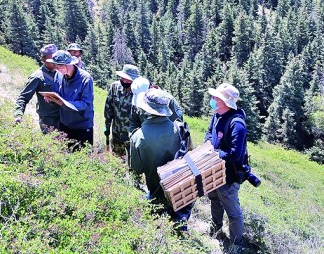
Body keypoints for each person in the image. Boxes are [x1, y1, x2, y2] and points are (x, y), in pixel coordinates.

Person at [129, 89, 194, 232]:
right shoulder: (180, 128)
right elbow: (191, 156)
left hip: (156, 192)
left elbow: (136, 169)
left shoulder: (137, 137)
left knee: (154, 227)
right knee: (178, 228)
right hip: (181, 191)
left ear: (146, 109)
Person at [204, 83, 247, 251]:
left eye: (216, 97)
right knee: (214, 198)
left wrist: (214, 153)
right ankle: (216, 228)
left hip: (228, 175)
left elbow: (235, 154)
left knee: (233, 212)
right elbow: (209, 132)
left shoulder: (237, 124)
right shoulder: (217, 114)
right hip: (213, 169)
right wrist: (208, 145)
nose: (213, 100)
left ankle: (236, 244)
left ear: (224, 101)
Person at [44, 50, 94, 148]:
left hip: (82, 126)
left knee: (83, 158)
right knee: (65, 155)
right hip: (64, 123)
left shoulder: (85, 79)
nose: (58, 69)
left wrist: (64, 103)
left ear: (70, 64)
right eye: (56, 66)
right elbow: (56, 92)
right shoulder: (58, 75)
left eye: (61, 66)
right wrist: (51, 99)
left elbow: (85, 103)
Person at [14, 44, 60, 134]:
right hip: (48, 119)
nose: (55, 62)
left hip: (64, 117)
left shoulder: (61, 73)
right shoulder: (37, 77)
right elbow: (23, 97)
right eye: (51, 59)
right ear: (43, 60)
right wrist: (18, 114)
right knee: (53, 145)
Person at [104, 64, 139, 159]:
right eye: (123, 78)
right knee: (117, 161)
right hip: (116, 133)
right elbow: (108, 108)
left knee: (131, 163)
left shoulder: (139, 92)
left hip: (132, 136)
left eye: (128, 79)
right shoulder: (114, 87)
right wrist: (106, 126)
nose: (124, 81)